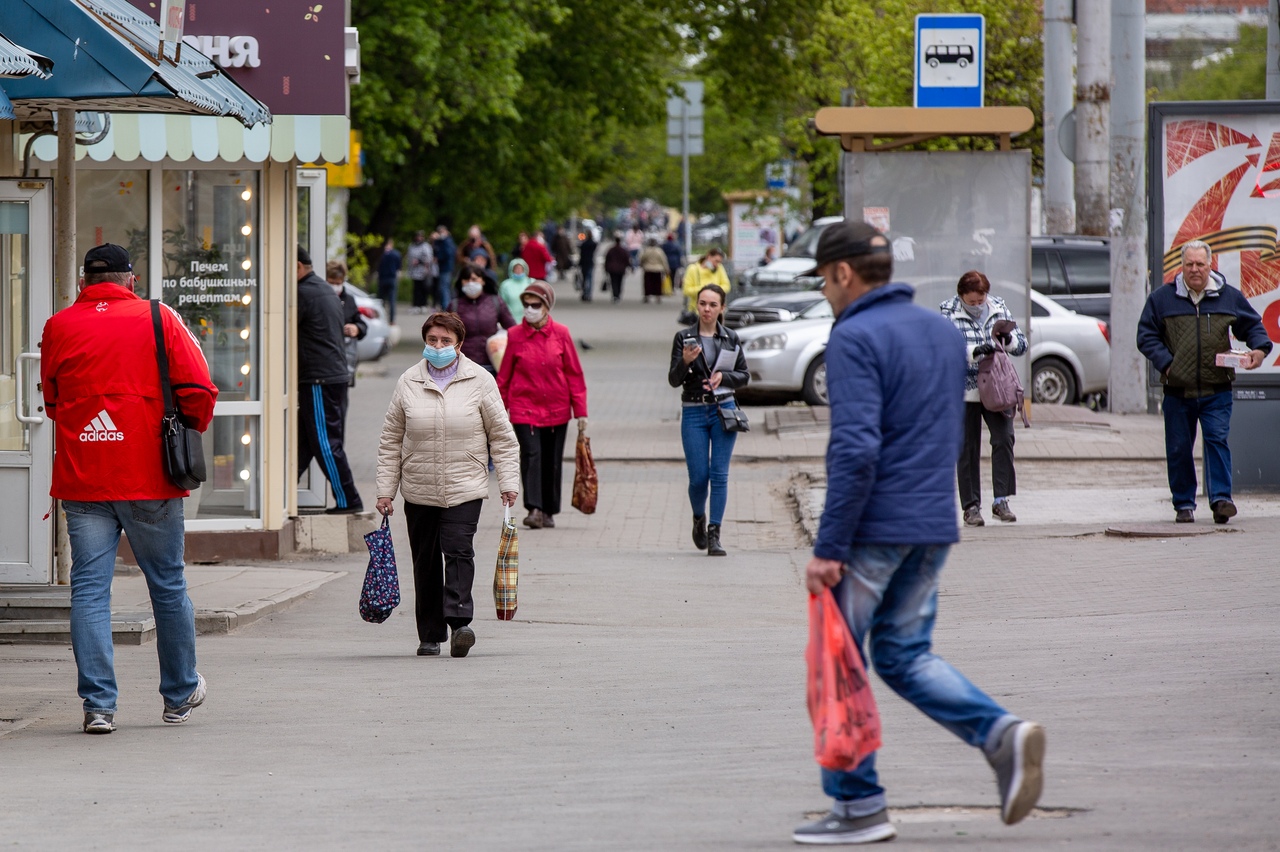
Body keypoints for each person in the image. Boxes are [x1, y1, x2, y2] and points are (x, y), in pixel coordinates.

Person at [794, 221, 1045, 845]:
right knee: (904, 656)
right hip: (932, 522)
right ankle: (1000, 734)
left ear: (845, 274)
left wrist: (828, 548)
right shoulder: (936, 332)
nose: (825, 291)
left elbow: (854, 451)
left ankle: (858, 806)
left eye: (825, 279)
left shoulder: (852, 335)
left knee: (839, 661)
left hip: (874, 526)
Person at [40, 243, 217, 734]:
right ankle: (179, 695)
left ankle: (98, 706)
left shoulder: (58, 326)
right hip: (148, 476)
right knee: (167, 584)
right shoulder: (159, 318)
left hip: (83, 476)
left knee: (89, 592)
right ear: (130, 281)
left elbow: (53, 400)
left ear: (84, 282)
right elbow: (199, 393)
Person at [375, 312, 520, 658]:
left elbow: (502, 436)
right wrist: (385, 489)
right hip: (419, 487)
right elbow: (390, 439)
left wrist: (508, 481)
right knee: (425, 560)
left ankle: (460, 624)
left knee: (458, 551)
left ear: (458, 344)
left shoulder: (480, 380)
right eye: (432, 340)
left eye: (445, 341)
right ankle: (429, 634)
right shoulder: (409, 381)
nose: (437, 346)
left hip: (464, 484)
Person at [1137, 239, 1271, 524]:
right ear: (1182, 266)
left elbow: (1253, 326)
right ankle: (1184, 504)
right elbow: (1146, 335)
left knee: (1216, 440)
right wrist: (1168, 364)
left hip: (1216, 389)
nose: (1195, 269)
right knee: (1179, 448)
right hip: (1178, 390)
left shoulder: (1228, 297)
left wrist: (1259, 349)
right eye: (1189, 264)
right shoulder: (1162, 299)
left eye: (1200, 264)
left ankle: (1221, 500)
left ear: (1210, 265)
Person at [496, 281, 588, 530]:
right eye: (526, 304)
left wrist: (580, 411)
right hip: (524, 407)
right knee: (531, 455)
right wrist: (498, 409)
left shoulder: (561, 333)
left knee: (552, 459)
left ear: (547, 307)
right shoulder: (515, 334)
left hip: (557, 407)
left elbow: (574, 374)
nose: (529, 309)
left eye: (535, 305)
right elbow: (504, 376)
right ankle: (534, 508)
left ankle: (549, 510)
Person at [939, 270, 1028, 526]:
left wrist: (1008, 340)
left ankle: (1001, 500)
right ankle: (971, 507)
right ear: (961, 297)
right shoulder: (947, 312)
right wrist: (973, 352)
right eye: (972, 303)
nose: (978, 306)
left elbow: (1021, 345)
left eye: (981, 301)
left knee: (1004, 439)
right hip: (964, 392)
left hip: (998, 389)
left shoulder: (998, 307)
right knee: (967, 449)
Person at [667, 284, 748, 557]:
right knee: (699, 477)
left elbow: (744, 375)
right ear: (697, 306)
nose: (706, 309)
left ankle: (715, 533)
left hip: (723, 410)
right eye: (702, 303)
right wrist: (686, 362)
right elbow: (673, 380)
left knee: (719, 474)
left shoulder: (731, 338)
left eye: (713, 304)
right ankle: (699, 517)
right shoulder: (684, 338)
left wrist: (724, 377)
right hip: (693, 411)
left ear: (722, 308)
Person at [298, 245, 364, 514]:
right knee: (306, 441)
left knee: (325, 442)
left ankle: (349, 499)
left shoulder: (303, 293)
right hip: (329, 376)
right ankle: (280, 490)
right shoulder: (322, 289)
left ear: (297, 266)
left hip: (318, 379)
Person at [452, 262, 516, 374]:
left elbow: (513, 329)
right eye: (466, 280)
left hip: (492, 364)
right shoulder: (454, 306)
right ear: (461, 283)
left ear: (483, 280)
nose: (470, 283)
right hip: (463, 366)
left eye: (474, 279)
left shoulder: (495, 302)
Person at [325, 259, 368, 389]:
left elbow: (361, 324)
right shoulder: (321, 298)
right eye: (331, 283)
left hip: (344, 361)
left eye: (338, 283)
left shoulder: (348, 300)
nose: (335, 287)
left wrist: (356, 329)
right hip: (325, 361)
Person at [681, 247, 731, 314]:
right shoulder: (693, 269)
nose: (717, 264)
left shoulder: (719, 268)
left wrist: (714, 290)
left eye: (719, 262)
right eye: (716, 261)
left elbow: (727, 286)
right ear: (709, 256)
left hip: (715, 312)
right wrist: (705, 290)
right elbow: (686, 290)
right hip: (697, 312)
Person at [406, 230, 435, 313]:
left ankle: (423, 305)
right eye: (417, 236)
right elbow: (409, 257)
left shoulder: (426, 246)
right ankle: (416, 305)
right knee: (416, 289)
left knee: (424, 289)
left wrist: (419, 261)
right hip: (414, 272)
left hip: (423, 271)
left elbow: (429, 259)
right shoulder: (412, 246)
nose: (418, 238)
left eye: (420, 236)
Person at [376, 238, 402, 325]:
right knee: (392, 301)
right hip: (392, 278)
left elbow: (378, 267)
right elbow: (399, 267)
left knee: (381, 300)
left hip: (382, 279)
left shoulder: (381, 254)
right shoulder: (396, 254)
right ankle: (391, 320)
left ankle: (381, 318)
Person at [639, 237, 671, 305]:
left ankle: (647, 296)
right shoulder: (659, 251)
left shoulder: (646, 250)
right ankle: (658, 296)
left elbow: (642, 258)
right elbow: (664, 260)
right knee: (658, 284)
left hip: (648, 268)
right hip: (658, 269)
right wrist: (667, 269)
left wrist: (641, 265)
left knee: (647, 284)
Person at [432, 225, 456, 311]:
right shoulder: (442, 241)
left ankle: (446, 308)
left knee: (444, 288)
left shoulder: (446, 241)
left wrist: (438, 257)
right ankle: (445, 306)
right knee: (445, 288)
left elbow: (447, 253)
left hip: (446, 268)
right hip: (443, 268)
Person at [500, 258, 532, 322]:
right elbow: (502, 303)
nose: (518, 270)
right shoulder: (506, 285)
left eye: (520, 268)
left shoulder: (531, 282)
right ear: (512, 270)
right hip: (511, 318)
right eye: (516, 268)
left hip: (529, 319)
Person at [604, 235, 631, 303]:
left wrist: (606, 268)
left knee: (614, 282)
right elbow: (626, 259)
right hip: (621, 269)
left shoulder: (611, 250)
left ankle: (615, 295)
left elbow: (607, 259)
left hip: (612, 269)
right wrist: (629, 266)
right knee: (620, 282)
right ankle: (618, 295)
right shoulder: (623, 250)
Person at [579, 231, 598, 303]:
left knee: (584, 279)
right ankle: (589, 294)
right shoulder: (593, 244)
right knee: (589, 279)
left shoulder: (584, 244)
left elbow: (581, 254)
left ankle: (584, 293)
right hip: (590, 262)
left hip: (584, 263)